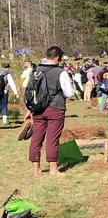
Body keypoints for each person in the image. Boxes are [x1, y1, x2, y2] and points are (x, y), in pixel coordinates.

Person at [24, 46, 75, 177]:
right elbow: (69, 93)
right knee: (52, 139)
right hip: (55, 108)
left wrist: (29, 109)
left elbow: (28, 91)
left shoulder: (34, 71)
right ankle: (53, 169)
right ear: (57, 58)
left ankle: (36, 169)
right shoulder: (60, 72)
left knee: (36, 138)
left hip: (38, 109)